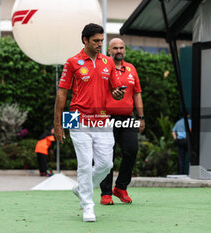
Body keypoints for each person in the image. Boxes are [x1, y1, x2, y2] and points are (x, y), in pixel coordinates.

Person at [54, 23, 124, 222]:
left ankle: (80, 188)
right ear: (84, 40)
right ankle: (88, 206)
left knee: (106, 164)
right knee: (85, 165)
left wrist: (118, 94)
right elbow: (62, 93)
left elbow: (116, 90)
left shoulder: (108, 62)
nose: (100, 44)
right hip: (77, 118)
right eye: (96, 41)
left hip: (102, 120)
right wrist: (58, 124)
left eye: (102, 41)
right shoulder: (72, 62)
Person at [99, 38, 145, 205]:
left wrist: (141, 117)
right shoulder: (103, 68)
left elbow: (137, 93)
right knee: (106, 156)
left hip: (128, 118)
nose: (119, 50)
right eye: (115, 48)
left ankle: (120, 188)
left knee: (131, 150)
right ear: (109, 51)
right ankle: (105, 193)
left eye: (121, 48)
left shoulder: (131, 69)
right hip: (106, 119)